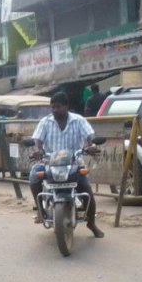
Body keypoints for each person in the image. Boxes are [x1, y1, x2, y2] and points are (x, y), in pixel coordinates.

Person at [29, 92, 105, 238]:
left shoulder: (78, 120)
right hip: (49, 162)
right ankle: (40, 209)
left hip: (73, 162)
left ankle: (91, 223)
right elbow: (37, 140)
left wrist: (92, 145)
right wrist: (38, 150)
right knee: (34, 175)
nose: (55, 110)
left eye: (58, 107)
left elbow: (90, 136)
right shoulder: (45, 122)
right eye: (52, 107)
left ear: (66, 106)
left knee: (86, 188)